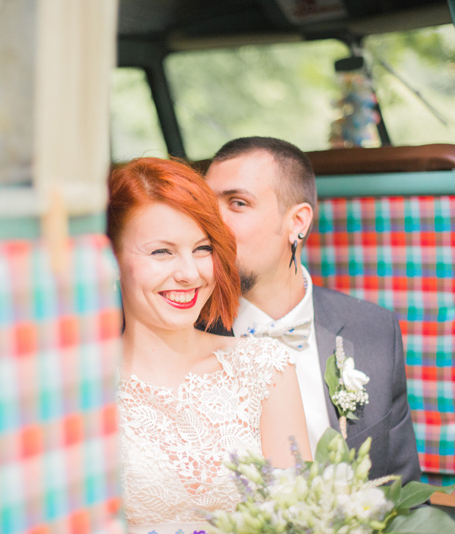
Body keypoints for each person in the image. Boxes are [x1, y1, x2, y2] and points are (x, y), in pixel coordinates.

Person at [108, 157, 311, 534]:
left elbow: (302, 521)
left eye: (202, 249)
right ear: (111, 259)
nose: (190, 273)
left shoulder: (264, 367)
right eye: (161, 252)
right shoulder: (79, 389)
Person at [204, 136, 421, 483]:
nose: (210, 222)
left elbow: (400, 491)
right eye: (204, 204)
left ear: (298, 222)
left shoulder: (374, 330)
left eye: (238, 203)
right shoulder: (183, 333)